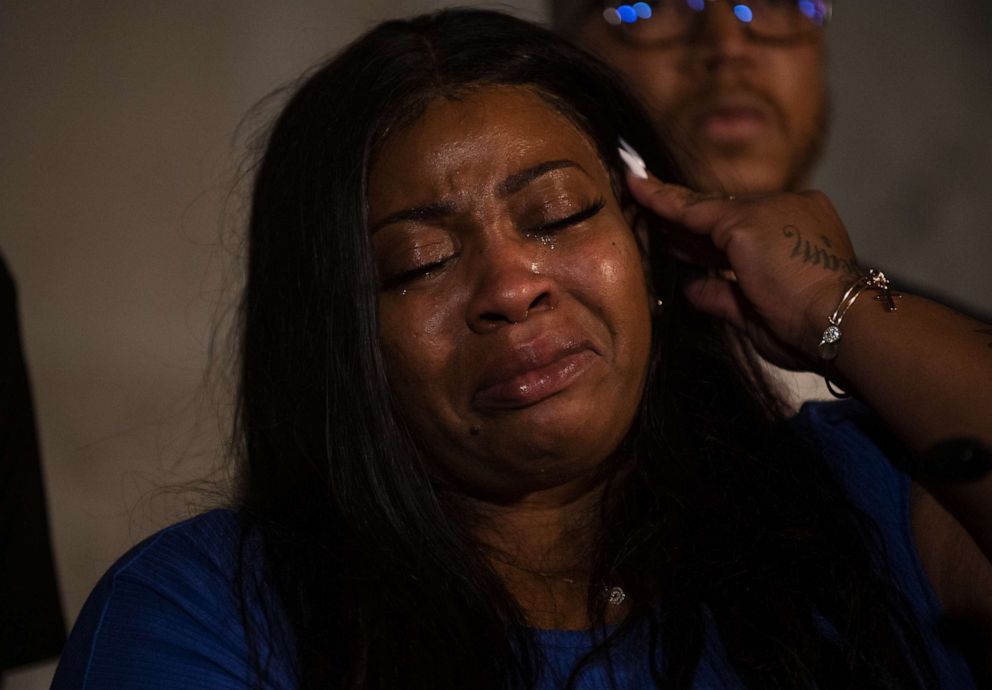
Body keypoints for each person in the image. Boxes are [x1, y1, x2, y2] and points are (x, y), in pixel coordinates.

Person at [52, 9, 992, 689]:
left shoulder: (861, 498)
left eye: (558, 215)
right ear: (341, 337)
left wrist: (839, 304)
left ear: (646, 244)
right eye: (419, 263)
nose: (510, 287)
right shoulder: (208, 614)